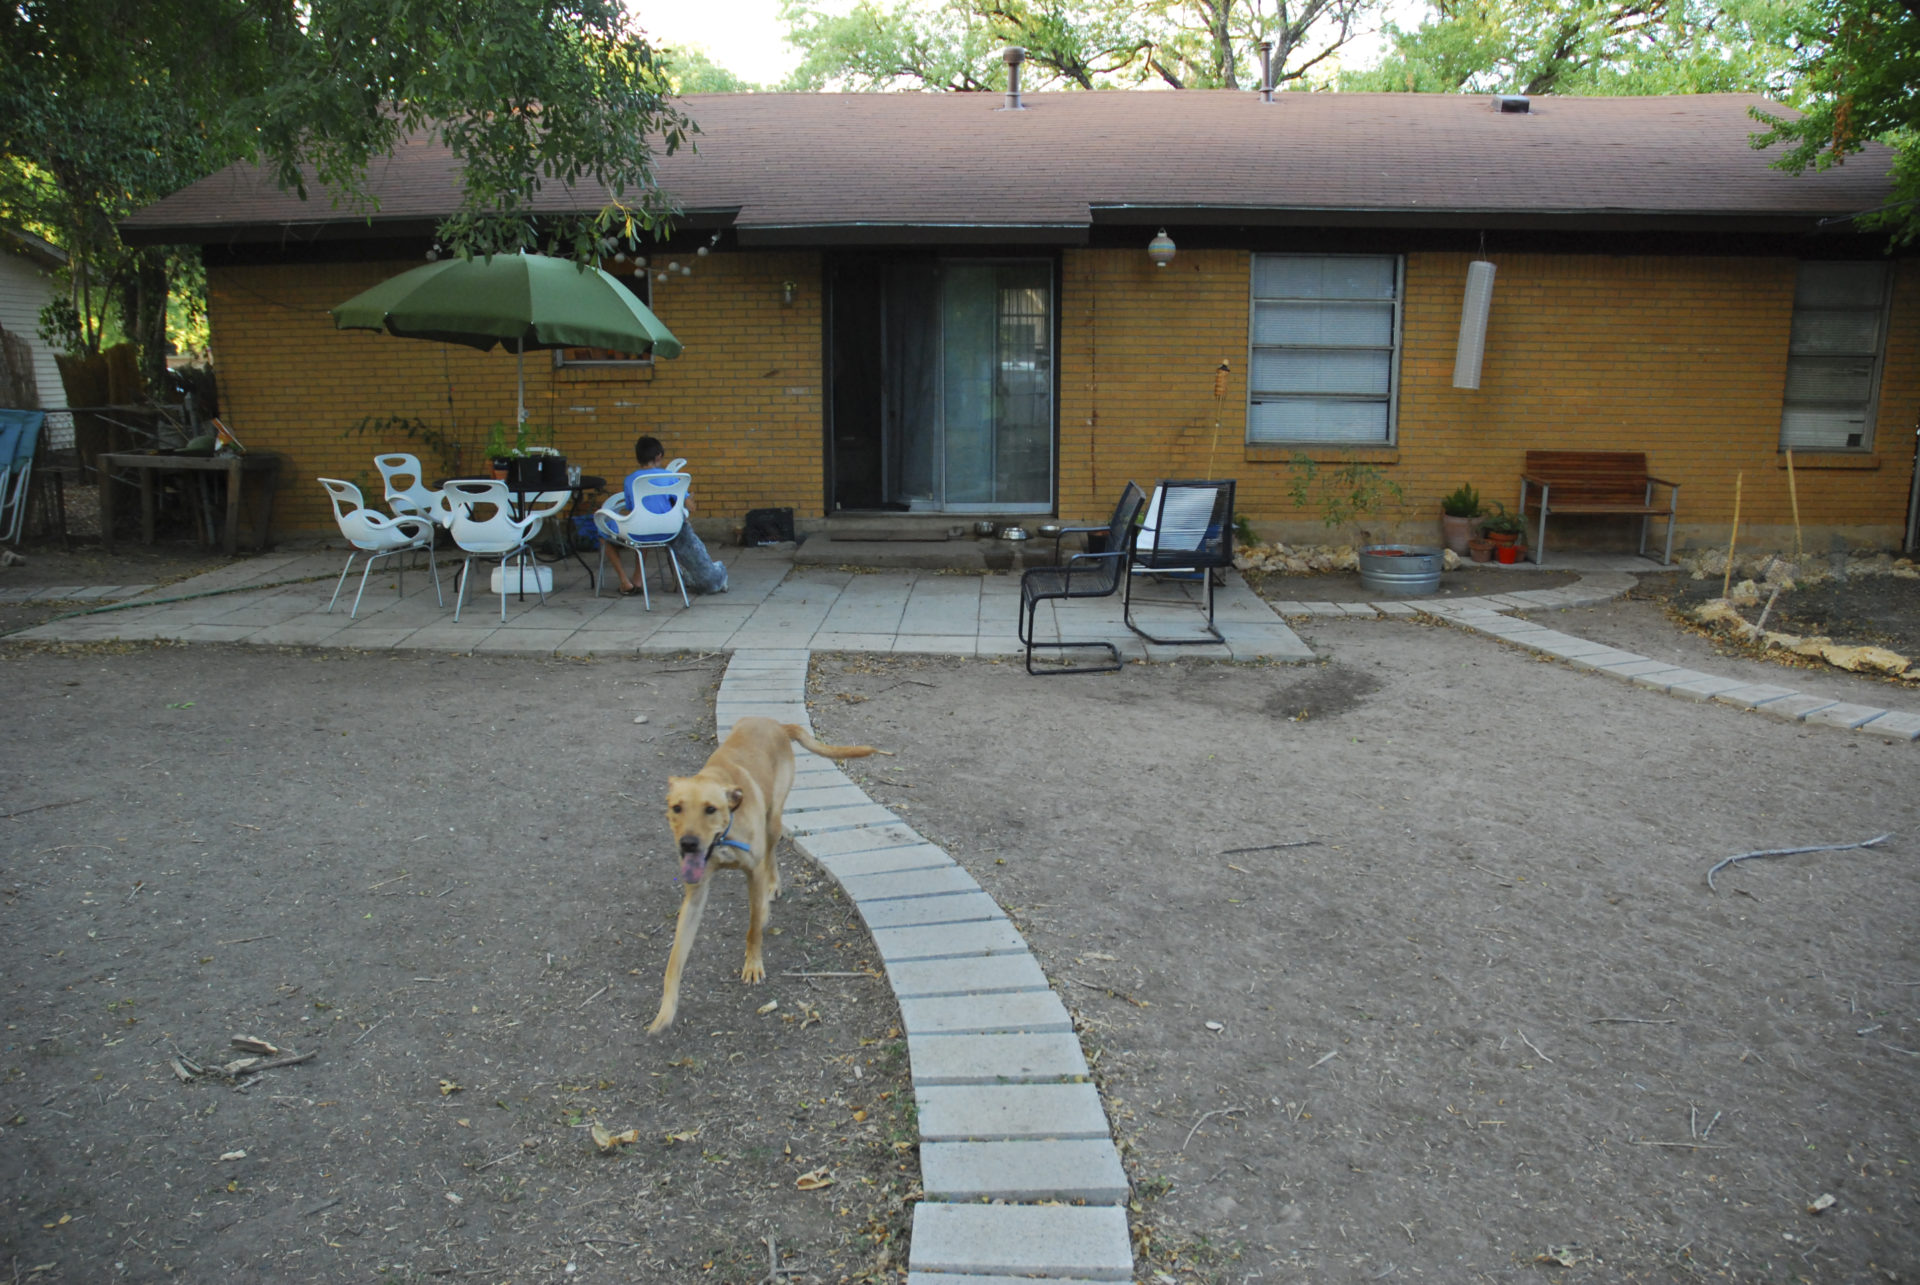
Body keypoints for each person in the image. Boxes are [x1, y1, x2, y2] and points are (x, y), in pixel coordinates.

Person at [606, 435, 727, 596]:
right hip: (669, 531)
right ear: (659, 456)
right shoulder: (669, 477)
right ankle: (638, 579)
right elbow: (691, 507)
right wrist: (690, 499)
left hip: (640, 532)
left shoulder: (630, 480)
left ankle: (626, 582)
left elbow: (630, 508)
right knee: (648, 527)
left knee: (603, 532)